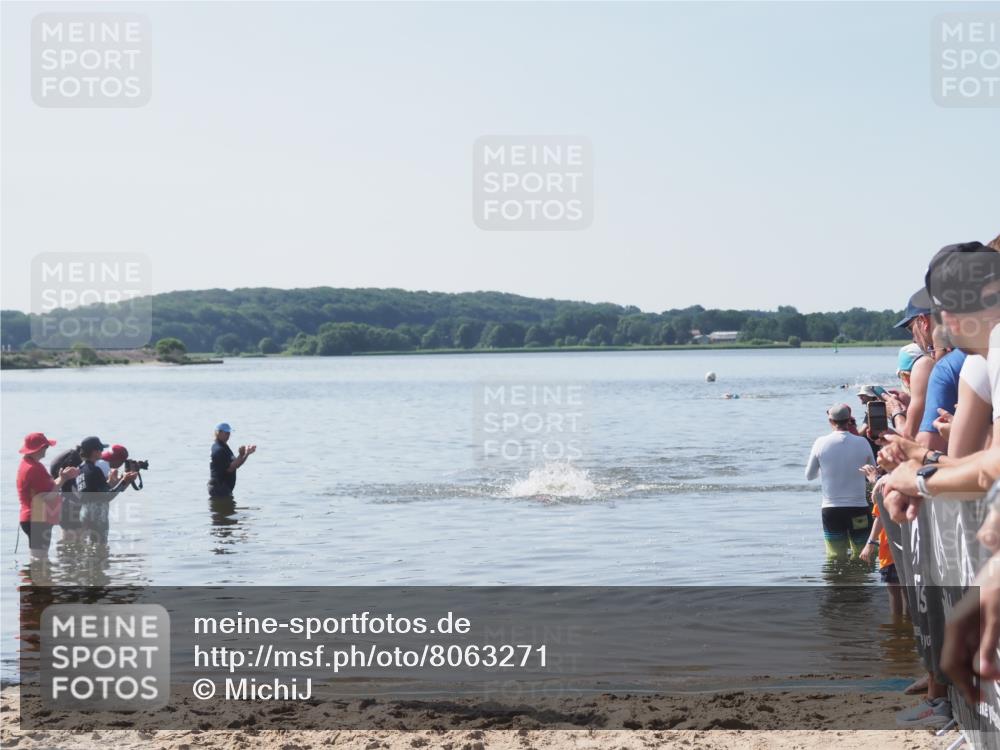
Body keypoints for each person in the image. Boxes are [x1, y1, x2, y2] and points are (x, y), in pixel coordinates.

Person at [805, 404, 874, 559]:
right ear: (849, 419)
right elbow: (872, 472)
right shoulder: (862, 442)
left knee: (835, 556)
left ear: (830, 420)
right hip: (858, 509)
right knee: (863, 554)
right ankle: (862, 581)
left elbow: (809, 475)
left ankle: (838, 582)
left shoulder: (820, 443)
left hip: (832, 510)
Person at [16, 433, 79, 559]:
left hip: (29, 517)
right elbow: (48, 496)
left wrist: (62, 478)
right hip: (37, 519)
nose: (47, 450)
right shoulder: (34, 469)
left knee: (37, 560)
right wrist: (63, 479)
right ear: (40, 448)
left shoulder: (25, 464)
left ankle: (31, 578)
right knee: (40, 561)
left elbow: (47, 489)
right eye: (46, 447)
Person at [76, 436, 137, 545]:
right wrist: (124, 481)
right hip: (97, 515)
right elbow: (107, 496)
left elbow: (99, 490)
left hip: (84, 512)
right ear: (95, 452)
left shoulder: (81, 469)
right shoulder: (95, 471)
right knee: (101, 548)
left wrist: (123, 481)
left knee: (89, 547)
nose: (103, 452)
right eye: (101, 449)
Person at [208, 422, 256, 498]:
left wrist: (246, 454)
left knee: (227, 509)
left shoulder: (224, 446)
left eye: (229, 433)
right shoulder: (218, 449)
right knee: (224, 509)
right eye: (226, 433)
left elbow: (237, 464)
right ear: (219, 433)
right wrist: (241, 455)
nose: (228, 435)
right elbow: (230, 468)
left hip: (223, 488)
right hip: (219, 488)